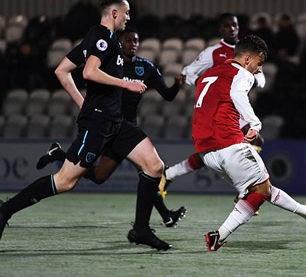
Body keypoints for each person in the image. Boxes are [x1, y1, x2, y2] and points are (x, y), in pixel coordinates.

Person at [0, 0, 171, 251]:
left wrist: (83, 103)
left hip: (115, 122)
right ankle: (5, 210)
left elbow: (62, 70)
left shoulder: (100, 38)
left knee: (154, 165)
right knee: (65, 181)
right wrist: (126, 84)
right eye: (126, 13)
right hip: (99, 124)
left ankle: (140, 229)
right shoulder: (103, 37)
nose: (128, 17)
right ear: (114, 13)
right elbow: (90, 72)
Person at [35, 26, 187, 228]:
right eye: (128, 40)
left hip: (127, 128)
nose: (132, 44)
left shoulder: (146, 68)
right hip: (106, 125)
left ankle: (58, 155)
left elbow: (168, 96)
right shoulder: (108, 64)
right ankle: (161, 218)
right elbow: (86, 75)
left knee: (119, 174)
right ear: (119, 43)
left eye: (135, 41)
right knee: (140, 171)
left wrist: (176, 85)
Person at [192, 35, 306, 251]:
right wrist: (254, 124)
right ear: (247, 59)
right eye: (259, 63)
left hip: (206, 152)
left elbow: (218, 105)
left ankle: (302, 211)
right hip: (229, 144)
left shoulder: (208, 74)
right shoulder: (241, 73)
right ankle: (220, 235)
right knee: (261, 191)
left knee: (263, 189)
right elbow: (237, 93)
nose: (258, 70)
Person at [159, 13, 265, 198]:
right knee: (241, 144)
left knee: (226, 148)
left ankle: (170, 174)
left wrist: (254, 78)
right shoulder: (213, 53)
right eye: (227, 26)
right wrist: (200, 86)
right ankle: (245, 191)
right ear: (220, 30)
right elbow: (189, 72)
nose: (232, 29)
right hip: (220, 108)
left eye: (234, 25)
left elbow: (261, 80)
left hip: (235, 106)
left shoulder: (248, 50)